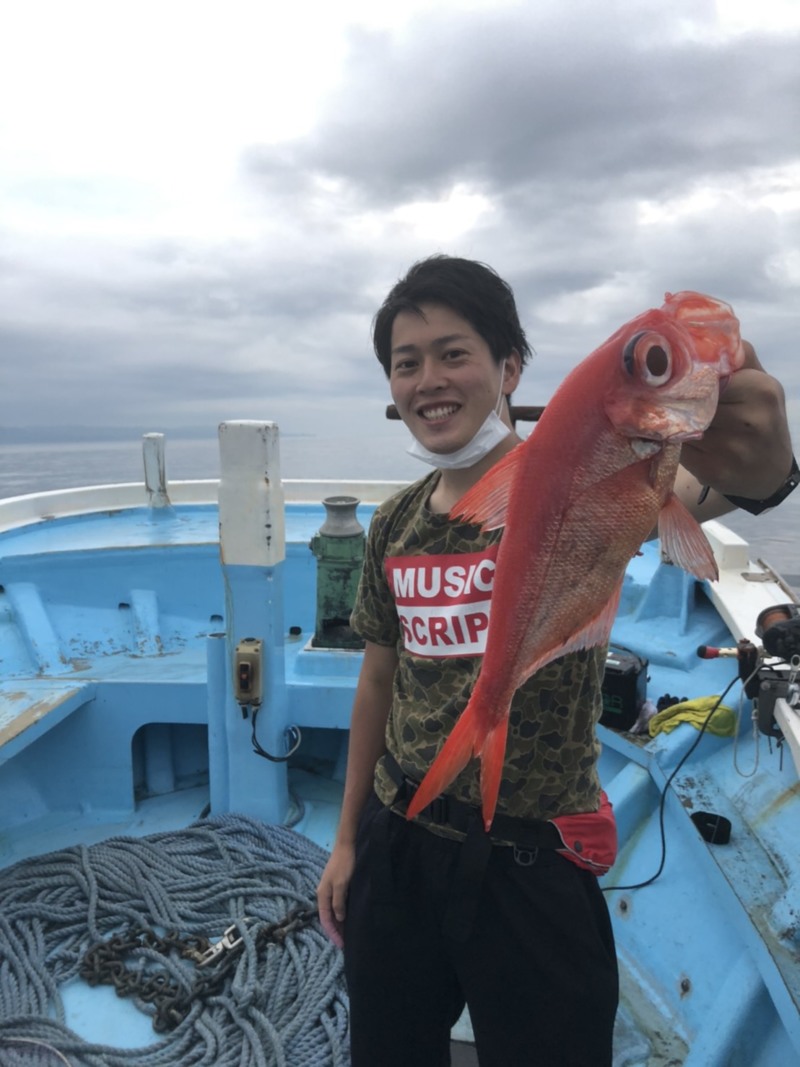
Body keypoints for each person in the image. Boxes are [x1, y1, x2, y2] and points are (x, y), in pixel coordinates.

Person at [316, 255, 796, 1067]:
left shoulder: (587, 471)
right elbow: (377, 679)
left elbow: (737, 486)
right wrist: (345, 840)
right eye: (407, 362)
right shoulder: (393, 526)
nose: (429, 378)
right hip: (400, 838)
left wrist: (770, 463)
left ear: (510, 368)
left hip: (535, 857)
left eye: (454, 352)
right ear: (392, 389)